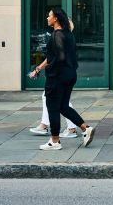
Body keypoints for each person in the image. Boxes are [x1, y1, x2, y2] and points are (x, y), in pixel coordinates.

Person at [28, 8, 95, 150]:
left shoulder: (57, 35)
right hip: (70, 74)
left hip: (58, 76)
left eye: (49, 16)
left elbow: (59, 57)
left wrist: (51, 71)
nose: (47, 18)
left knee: (52, 107)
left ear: (56, 18)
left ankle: (55, 141)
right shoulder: (68, 34)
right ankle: (85, 128)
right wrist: (38, 69)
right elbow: (54, 55)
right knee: (63, 106)